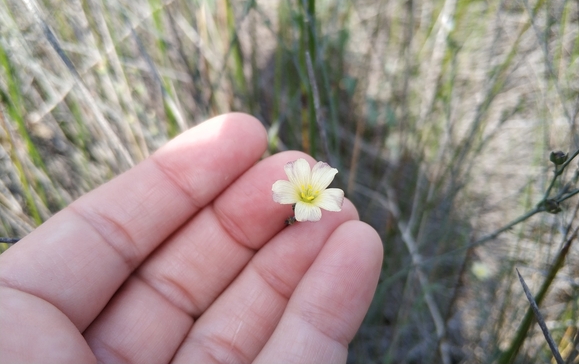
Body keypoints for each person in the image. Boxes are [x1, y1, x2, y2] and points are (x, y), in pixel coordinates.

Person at [0, 113, 382, 364]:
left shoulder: (311, 197)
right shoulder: (296, 190)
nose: (310, 195)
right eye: (306, 194)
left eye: (310, 194)